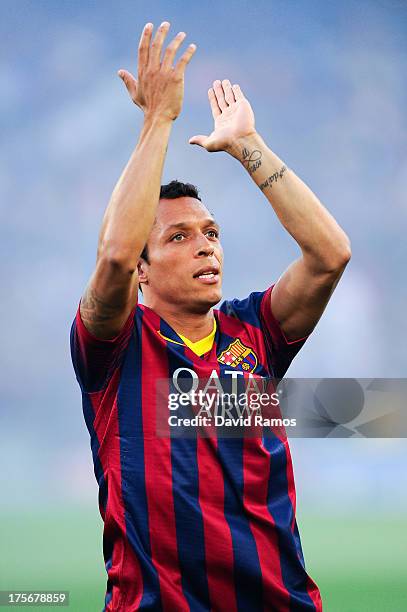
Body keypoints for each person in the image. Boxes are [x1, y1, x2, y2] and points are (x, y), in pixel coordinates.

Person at [70, 20, 350, 612]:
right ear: (144, 272)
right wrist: (159, 121)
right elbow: (116, 254)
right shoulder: (114, 349)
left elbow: (330, 256)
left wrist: (248, 145)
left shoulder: (256, 335)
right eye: (179, 236)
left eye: (212, 232)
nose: (206, 246)